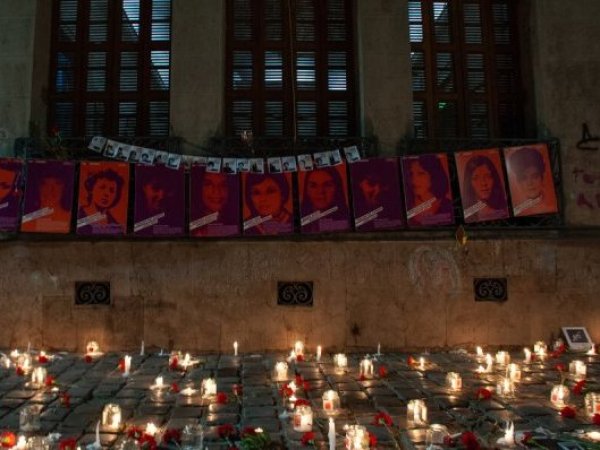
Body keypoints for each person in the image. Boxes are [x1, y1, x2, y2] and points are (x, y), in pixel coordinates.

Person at [404, 154, 454, 225]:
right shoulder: (405, 204)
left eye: (421, 173)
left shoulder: (448, 207)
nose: (413, 180)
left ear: (433, 174)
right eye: (410, 174)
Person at [21, 165, 73, 232]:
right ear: (37, 187)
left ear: (65, 188)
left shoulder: (71, 218)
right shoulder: (27, 219)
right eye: (44, 184)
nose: (50, 190)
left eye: (58, 184)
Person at [508, 146, 555, 215]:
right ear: (518, 182)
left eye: (535, 176)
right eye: (524, 178)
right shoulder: (516, 211)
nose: (530, 183)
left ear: (542, 178)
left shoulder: (552, 206)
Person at [461, 154, 508, 222]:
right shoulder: (467, 213)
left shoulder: (505, 208)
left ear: (494, 178)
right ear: (469, 183)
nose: (483, 183)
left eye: (488, 176)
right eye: (476, 178)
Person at [301, 166, 349, 231]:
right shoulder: (296, 220)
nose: (320, 191)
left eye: (327, 185)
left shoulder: (348, 219)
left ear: (337, 189)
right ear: (306, 190)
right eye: (313, 186)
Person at [77, 169, 125, 233]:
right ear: (91, 189)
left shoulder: (116, 226)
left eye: (112, 191)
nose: (107, 194)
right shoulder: (78, 215)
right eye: (102, 187)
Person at [192, 171, 238, 236]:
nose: (216, 191)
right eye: (208, 184)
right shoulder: (190, 226)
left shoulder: (237, 224)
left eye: (223, 185)